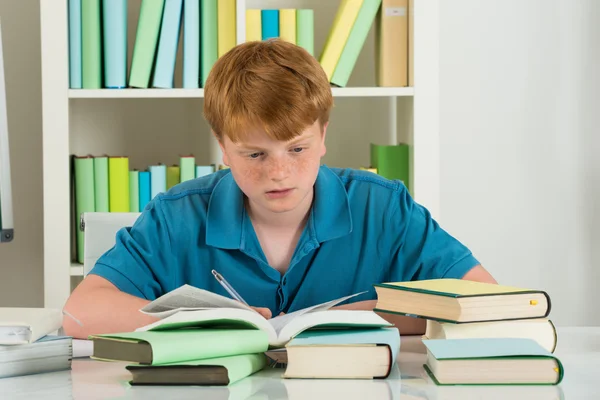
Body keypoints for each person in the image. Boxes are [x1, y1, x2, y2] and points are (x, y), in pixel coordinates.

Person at [63, 39, 496, 339]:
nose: (279, 172)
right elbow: (80, 312)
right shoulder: (176, 216)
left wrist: (371, 315)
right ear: (223, 148)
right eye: (255, 154)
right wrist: (198, 323)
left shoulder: (382, 207)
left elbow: (483, 298)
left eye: (298, 148)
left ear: (323, 134)